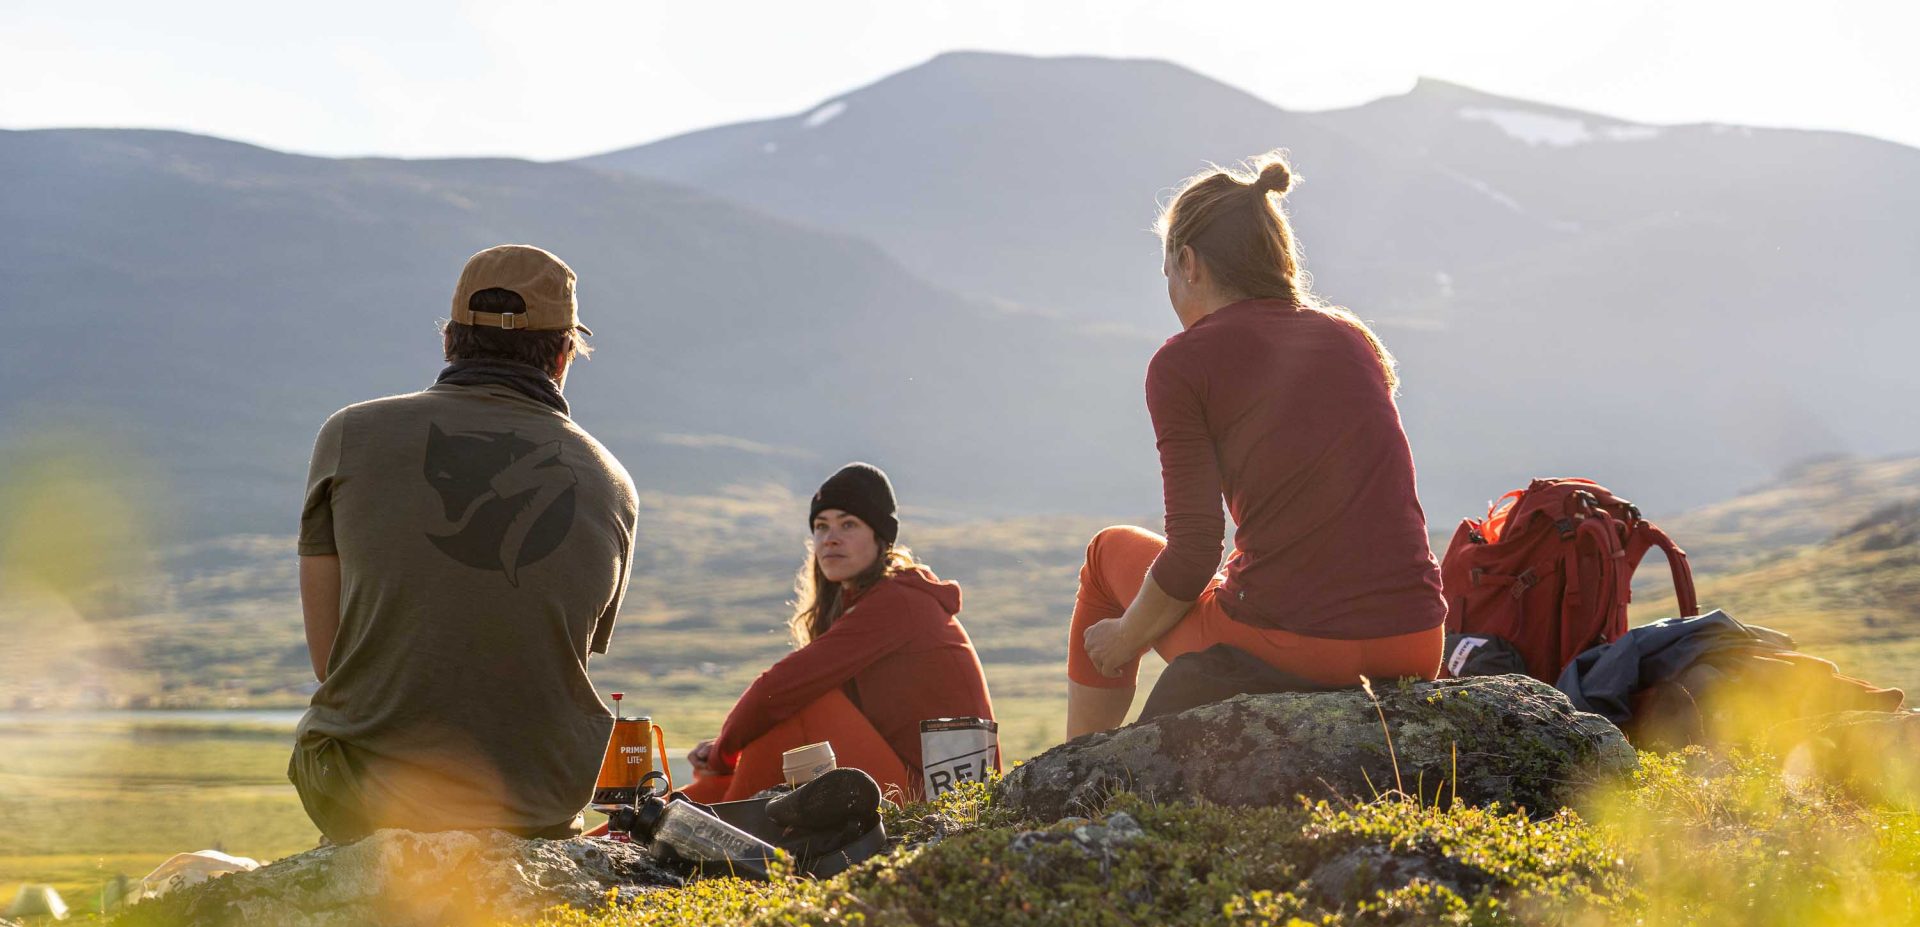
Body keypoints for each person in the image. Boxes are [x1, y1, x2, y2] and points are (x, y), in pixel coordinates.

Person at [1065, 153, 1447, 738]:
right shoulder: (1351, 339)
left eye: (1166, 269)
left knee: (1106, 554)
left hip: (1300, 648)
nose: (1168, 286)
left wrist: (1122, 639)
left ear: (1189, 264)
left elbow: (1194, 552)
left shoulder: (1183, 361)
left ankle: (1080, 759)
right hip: (1415, 641)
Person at [291, 244, 639, 842]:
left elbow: (332, 663)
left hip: (361, 794)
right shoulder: (612, 482)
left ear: (450, 340)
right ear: (562, 355)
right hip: (537, 807)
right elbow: (543, 656)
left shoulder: (351, 435)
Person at [681, 463, 995, 803]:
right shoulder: (867, 603)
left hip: (946, 798)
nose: (830, 538)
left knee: (801, 703)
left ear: (880, 537)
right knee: (735, 770)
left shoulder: (899, 601)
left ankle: (722, 838)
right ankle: (672, 819)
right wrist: (726, 756)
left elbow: (778, 688)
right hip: (910, 779)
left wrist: (723, 754)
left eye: (848, 524)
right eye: (820, 526)